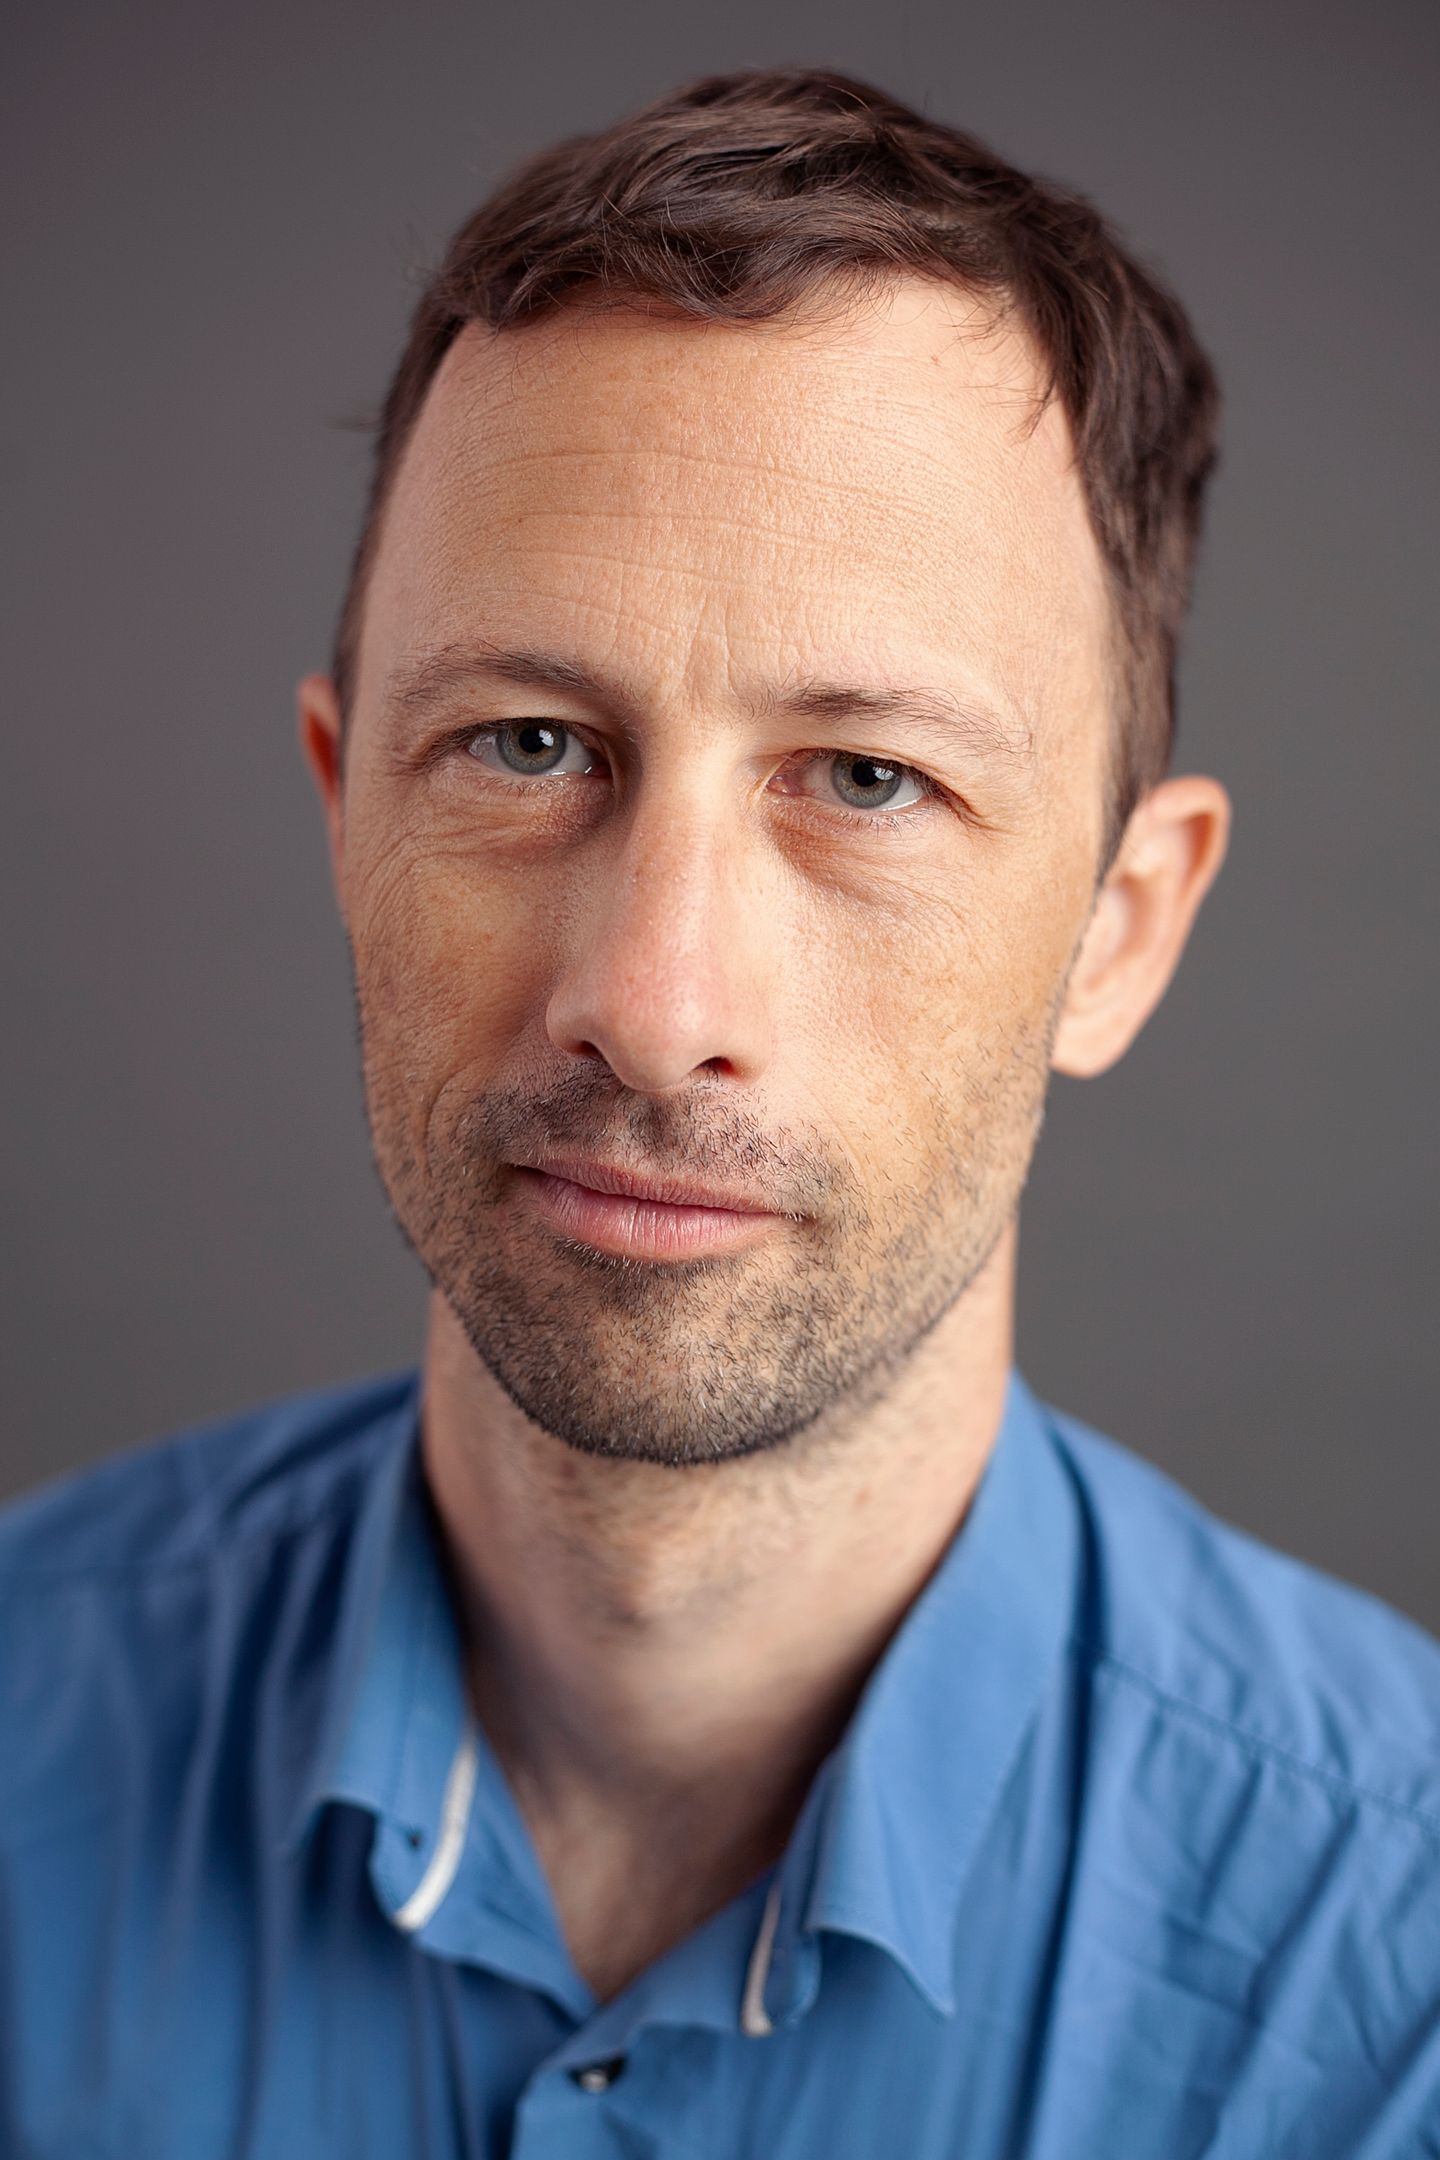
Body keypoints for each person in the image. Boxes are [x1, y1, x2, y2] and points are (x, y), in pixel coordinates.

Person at [2, 65, 1436, 2160]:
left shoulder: (1397, 1977)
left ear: (1120, 933)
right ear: (341, 818)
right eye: (525, 743)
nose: (655, 1009)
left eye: (868, 780)